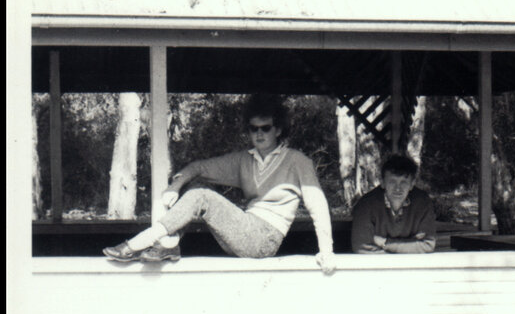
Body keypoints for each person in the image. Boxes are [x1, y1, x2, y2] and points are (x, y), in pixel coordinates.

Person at [103, 95, 337, 275]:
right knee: (197, 185)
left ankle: (137, 243)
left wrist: (327, 252)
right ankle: (170, 243)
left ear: (278, 129)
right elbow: (199, 167)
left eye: (265, 128)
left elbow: (318, 206)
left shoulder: (297, 161)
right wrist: (175, 186)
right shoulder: (245, 159)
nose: (259, 134)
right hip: (244, 231)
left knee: (202, 196)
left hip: (266, 238)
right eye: (253, 128)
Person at [351, 154, 436, 254]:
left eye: (403, 182)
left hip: (410, 263)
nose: (398, 188)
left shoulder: (423, 203)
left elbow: (427, 245)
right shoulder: (366, 205)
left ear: (412, 184)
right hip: (379, 264)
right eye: (392, 181)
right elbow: (362, 248)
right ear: (382, 182)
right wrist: (406, 249)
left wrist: (385, 243)